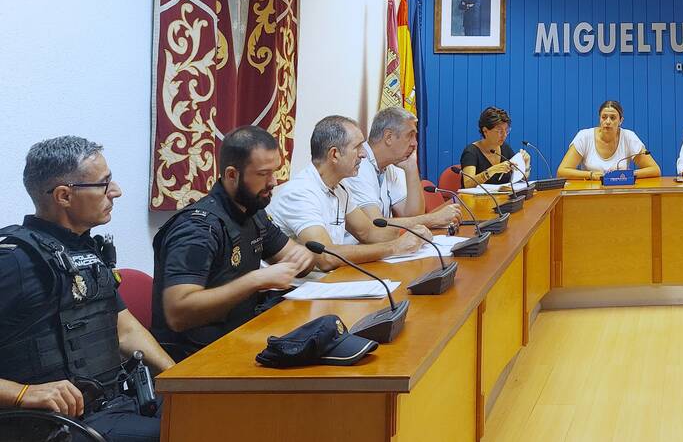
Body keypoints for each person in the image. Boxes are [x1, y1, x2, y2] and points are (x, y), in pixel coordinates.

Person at [0, 136, 173, 440]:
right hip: (54, 425)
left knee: (212, 412)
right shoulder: (14, 262)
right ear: (64, 196)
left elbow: (124, 329)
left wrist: (179, 380)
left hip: (115, 402)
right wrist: (20, 393)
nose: (115, 191)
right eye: (103, 184)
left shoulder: (84, 250)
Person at [151, 126, 316, 361]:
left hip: (240, 338)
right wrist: (255, 280)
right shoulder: (198, 229)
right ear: (231, 175)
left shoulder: (252, 211)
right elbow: (178, 313)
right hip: (196, 359)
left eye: (275, 171)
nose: (273, 182)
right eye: (263, 174)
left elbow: (294, 257)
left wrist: (304, 257)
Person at [267, 116, 430, 272]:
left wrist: (413, 233)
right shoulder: (300, 193)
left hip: (329, 280)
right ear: (334, 154)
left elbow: (368, 232)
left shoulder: (339, 188)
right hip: (296, 287)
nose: (363, 154)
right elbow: (326, 257)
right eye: (357, 147)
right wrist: (395, 247)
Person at [341, 106, 460, 240]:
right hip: (358, 250)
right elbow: (375, 224)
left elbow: (413, 215)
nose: (415, 143)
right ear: (389, 137)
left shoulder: (391, 165)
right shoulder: (358, 166)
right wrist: (432, 219)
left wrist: (411, 168)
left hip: (382, 245)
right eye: (410, 135)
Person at [557, 101, 661, 180]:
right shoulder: (584, 137)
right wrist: (590, 175)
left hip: (620, 192)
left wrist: (627, 174)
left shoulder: (629, 137)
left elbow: (655, 170)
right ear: (599, 119)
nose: (607, 121)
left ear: (620, 121)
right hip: (590, 192)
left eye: (612, 118)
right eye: (604, 117)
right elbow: (562, 172)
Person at [460, 106, 530, 188]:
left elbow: (522, 181)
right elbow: (468, 184)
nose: (504, 135)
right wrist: (491, 171)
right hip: (476, 196)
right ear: (485, 131)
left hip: (502, 196)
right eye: (499, 131)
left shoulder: (505, 147)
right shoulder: (471, 152)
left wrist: (526, 164)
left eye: (506, 130)